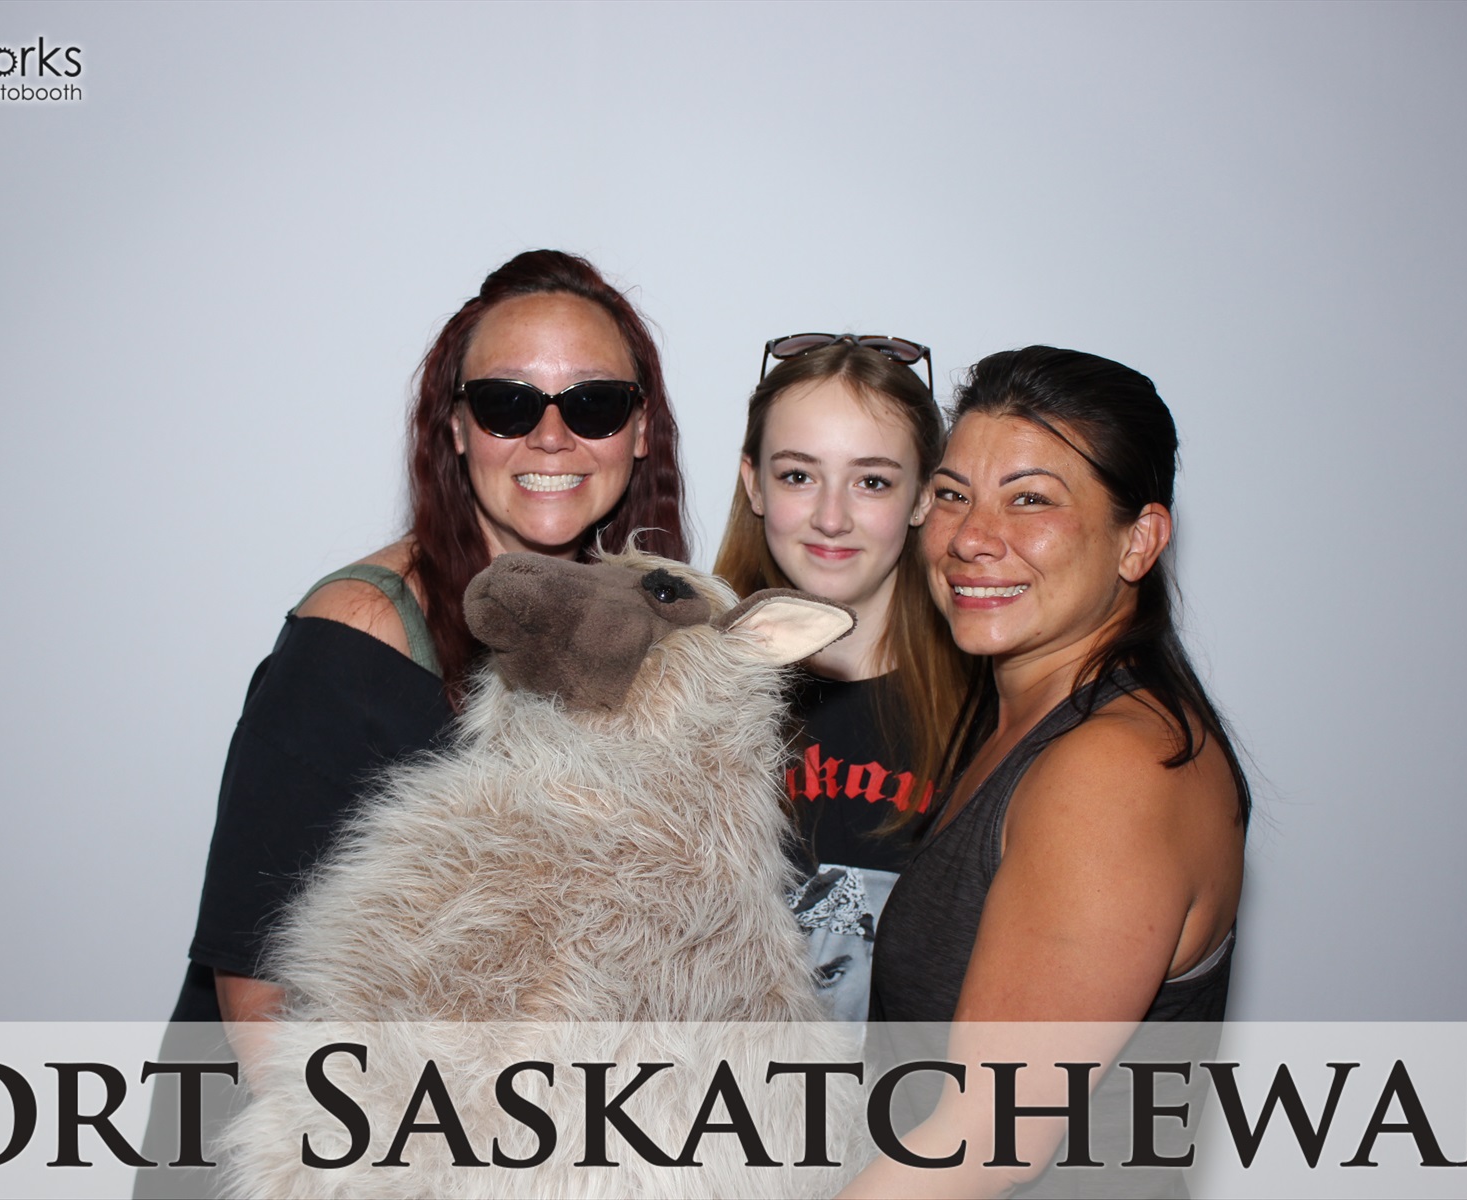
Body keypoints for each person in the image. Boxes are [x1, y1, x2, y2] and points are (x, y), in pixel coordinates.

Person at [138, 250, 686, 1195]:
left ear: (639, 432)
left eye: (594, 403)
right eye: (509, 403)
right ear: (457, 428)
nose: (551, 436)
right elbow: (258, 986)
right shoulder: (356, 637)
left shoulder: (627, 638)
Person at [846, 346, 1248, 1198]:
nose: (971, 538)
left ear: (1139, 540)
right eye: (952, 495)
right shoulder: (1022, 722)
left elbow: (989, 1135)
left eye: (1030, 499)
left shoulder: (1115, 769)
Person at [712, 334, 967, 1021]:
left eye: (872, 481)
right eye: (798, 475)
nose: (831, 518)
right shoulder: (680, 705)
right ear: (754, 484)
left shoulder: (993, 713)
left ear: (923, 498)